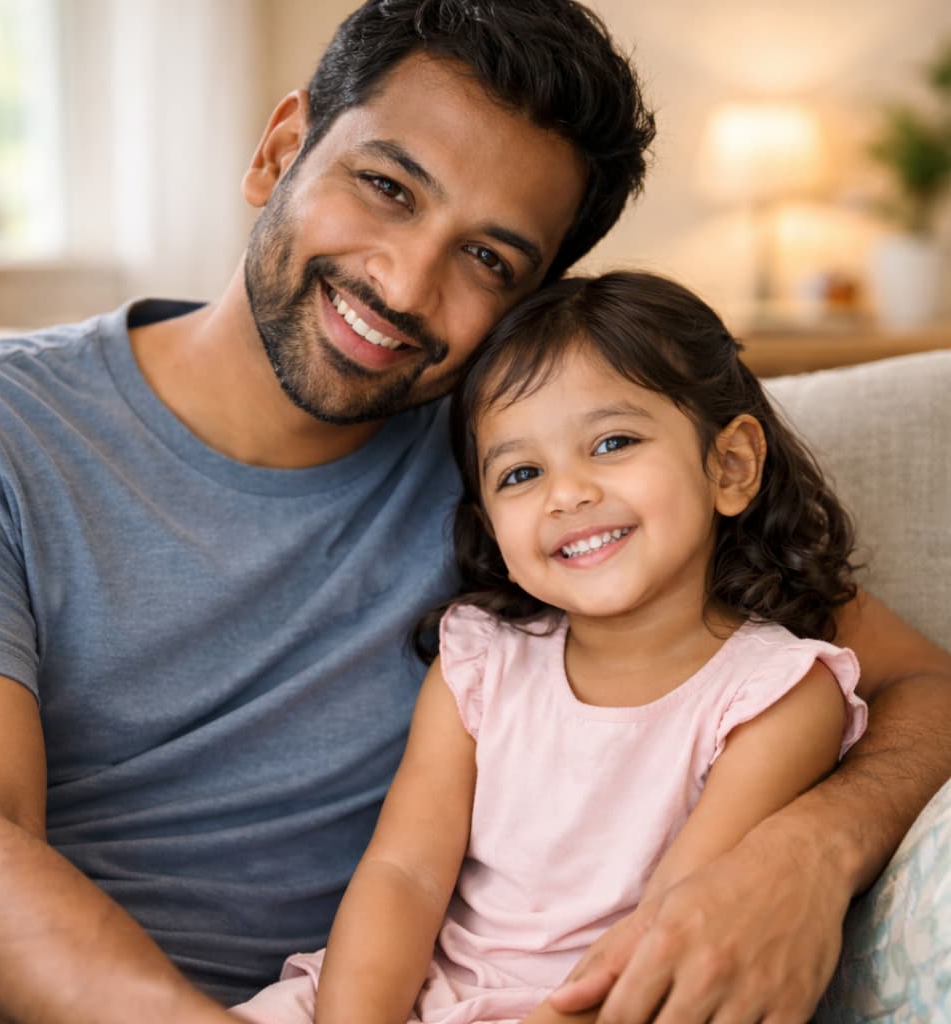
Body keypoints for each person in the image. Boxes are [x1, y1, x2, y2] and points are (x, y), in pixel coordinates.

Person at [0, 2, 946, 1024]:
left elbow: (914, 683)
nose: (405, 283)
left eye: (489, 260)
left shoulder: (532, 478)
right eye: (385, 187)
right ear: (280, 150)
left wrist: (810, 851)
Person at [230, 270, 870, 1024]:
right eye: (522, 473)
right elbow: (402, 875)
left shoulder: (778, 694)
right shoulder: (480, 664)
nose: (566, 495)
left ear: (730, 466)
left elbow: (668, 927)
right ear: (493, 530)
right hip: (407, 994)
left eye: (612, 442)